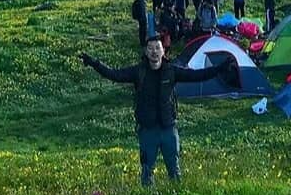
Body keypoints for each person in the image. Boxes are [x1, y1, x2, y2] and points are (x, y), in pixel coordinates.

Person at [81, 35, 231, 187]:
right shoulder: (138, 72)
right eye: (150, 48)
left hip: (168, 128)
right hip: (148, 129)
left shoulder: (171, 71)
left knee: (174, 171)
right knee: (147, 171)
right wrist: (94, 63)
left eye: (157, 48)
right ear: (146, 52)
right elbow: (114, 75)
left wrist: (220, 68)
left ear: (163, 51)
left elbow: (197, 75)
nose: (154, 52)